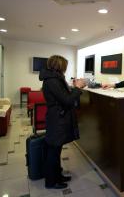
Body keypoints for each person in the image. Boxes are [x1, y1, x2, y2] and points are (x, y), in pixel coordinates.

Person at [39, 55, 86, 189]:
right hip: (57, 120)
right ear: (60, 66)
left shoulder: (54, 78)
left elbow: (62, 97)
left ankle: (57, 176)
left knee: (56, 150)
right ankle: (51, 181)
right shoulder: (53, 80)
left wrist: (72, 88)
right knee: (53, 151)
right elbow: (67, 100)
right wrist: (77, 88)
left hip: (56, 119)